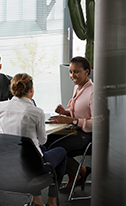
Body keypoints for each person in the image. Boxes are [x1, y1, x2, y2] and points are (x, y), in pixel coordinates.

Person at [0, 73, 66, 206]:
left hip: (3, 166)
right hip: (31, 169)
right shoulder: (36, 112)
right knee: (61, 152)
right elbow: (42, 140)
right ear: (31, 90)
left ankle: (37, 199)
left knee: (38, 150)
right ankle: (51, 201)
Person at [46, 56, 93, 189]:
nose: (72, 75)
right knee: (46, 141)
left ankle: (80, 172)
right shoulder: (78, 87)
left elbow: (98, 122)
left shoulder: (93, 92)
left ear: (87, 72)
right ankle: (77, 173)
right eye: (71, 72)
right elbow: (80, 112)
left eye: (76, 71)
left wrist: (72, 120)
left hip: (89, 135)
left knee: (53, 149)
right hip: (76, 129)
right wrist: (65, 112)